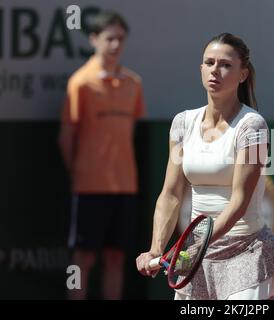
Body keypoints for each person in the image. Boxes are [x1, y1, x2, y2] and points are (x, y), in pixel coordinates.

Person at [136, 33, 274, 300]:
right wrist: (155, 249)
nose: (215, 71)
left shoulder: (252, 126)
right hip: (195, 256)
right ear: (201, 69)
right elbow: (171, 194)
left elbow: (239, 199)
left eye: (225, 65)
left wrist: (196, 246)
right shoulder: (183, 124)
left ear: (242, 74)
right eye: (209, 63)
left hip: (246, 252)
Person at [59, 10, 146, 300]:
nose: (115, 45)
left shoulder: (133, 84)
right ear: (94, 39)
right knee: (82, 260)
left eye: (120, 39)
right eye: (109, 38)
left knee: (116, 259)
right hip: (88, 186)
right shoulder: (80, 83)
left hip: (124, 187)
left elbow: (129, 132)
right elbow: (66, 137)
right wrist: (80, 172)